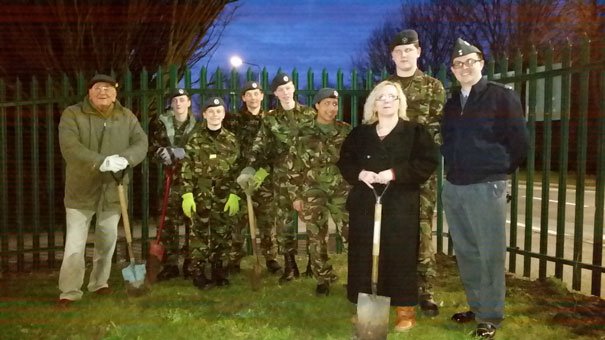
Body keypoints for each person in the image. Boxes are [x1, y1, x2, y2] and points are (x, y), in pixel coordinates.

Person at [440, 38, 529, 339]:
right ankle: (477, 308)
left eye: (470, 61)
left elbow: (519, 140)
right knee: (466, 252)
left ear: (481, 63)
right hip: (455, 186)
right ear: (452, 70)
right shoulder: (452, 103)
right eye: (458, 64)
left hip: (486, 185)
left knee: (489, 253)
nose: (464, 67)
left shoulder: (501, 97)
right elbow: (447, 141)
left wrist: (499, 169)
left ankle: (491, 316)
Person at [337, 80, 438, 331]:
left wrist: (394, 173)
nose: (387, 101)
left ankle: (405, 310)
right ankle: (366, 308)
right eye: (381, 97)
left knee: (399, 255)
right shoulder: (360, 134)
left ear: (400, 102)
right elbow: (345, 161)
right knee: (364, 255)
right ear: (374, 103)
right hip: (366, 201)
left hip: (399, 202)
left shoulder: (415, 132)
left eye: (392, 96)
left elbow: (427, 162)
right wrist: (360, 174)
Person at [57, 74, 148, 306]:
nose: (103, 92)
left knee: (107, 241)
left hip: (113, 189)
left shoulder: (125, 116)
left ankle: (99, 283)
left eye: (108, 88)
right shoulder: (73, 114)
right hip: (81, 189)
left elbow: (141, 142)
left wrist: (126, 159)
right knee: (75, 245)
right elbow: (70, 147)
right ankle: (70, 290)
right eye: (98, 88)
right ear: (89, 92)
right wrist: (101, 161)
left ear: (115, 93)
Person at [386, 29, 446, 316]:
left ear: (418, 52)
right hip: (391, 173)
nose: (404, 55)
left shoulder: (434, 87)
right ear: (392, 56)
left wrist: (417, 159)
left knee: (422, 229)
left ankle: (426, 290)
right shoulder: (385, 88)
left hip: (420, 172)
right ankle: (397, 286)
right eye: (399, 51)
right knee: (394, 228)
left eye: (409, 50)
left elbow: (438, 130)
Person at [244, 72, 316, 284]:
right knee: (284, 223)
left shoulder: (310, 114)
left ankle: (313, 263)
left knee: (312, 220)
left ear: (293, 88)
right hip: (282, 177)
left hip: (307, 177)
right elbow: (260, 145)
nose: (285, 92)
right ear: (274, 93)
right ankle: (290, 265)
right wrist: (250, 166)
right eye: (280, 90)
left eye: (288, 88)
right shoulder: (270, 118)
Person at [290, 88, 351, 296]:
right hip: (312, 190)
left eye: (335, 104)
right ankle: (322, 278)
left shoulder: (346, 131)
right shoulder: (303, 131)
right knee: (316, 236)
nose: (331, 108)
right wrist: (296, 196)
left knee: (351, 233)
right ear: (317, 106)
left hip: (341, 189)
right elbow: (294, 166)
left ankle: (357, 278)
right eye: (327, 103)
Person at [180, 96, 241, 290]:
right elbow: (187, 168)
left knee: (221, 233)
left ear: (224, 114)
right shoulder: (195, 139)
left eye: (219, 111)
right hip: (201, 193)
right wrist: (187, 194)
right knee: (199, 234)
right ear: (204, 114)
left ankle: (218, 271)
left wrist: (234, 194)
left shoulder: (231, 140)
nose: (215, 115)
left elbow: (237, 169)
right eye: (211, 111)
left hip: (224, 193)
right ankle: (198, 272)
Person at [224, 81, 281, 275]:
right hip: (240, 177)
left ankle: (271, 258)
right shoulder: (233, 120)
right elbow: (228, 148)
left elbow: (276, 148)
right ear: (243, 98)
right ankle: (233, 259)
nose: (253, 98)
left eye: (256, 94)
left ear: (262, 96)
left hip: (263, 178)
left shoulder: (272, 120)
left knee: (266, 220)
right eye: (249, 94)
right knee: (237, 221)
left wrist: (263, 173)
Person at [148, 88, 199, 280]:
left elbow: (201, 149)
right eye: (175, 100)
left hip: (191, 183)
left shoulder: (197, 126)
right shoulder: (160, 124)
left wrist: (185, 153)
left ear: (188, 103)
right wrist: (161, 153)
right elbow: (151, 147)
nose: (178, 104)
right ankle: (170, 265)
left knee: (191, 224)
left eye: (182, 100)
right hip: (168, 181)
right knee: (168, 225)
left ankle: (190, 263)